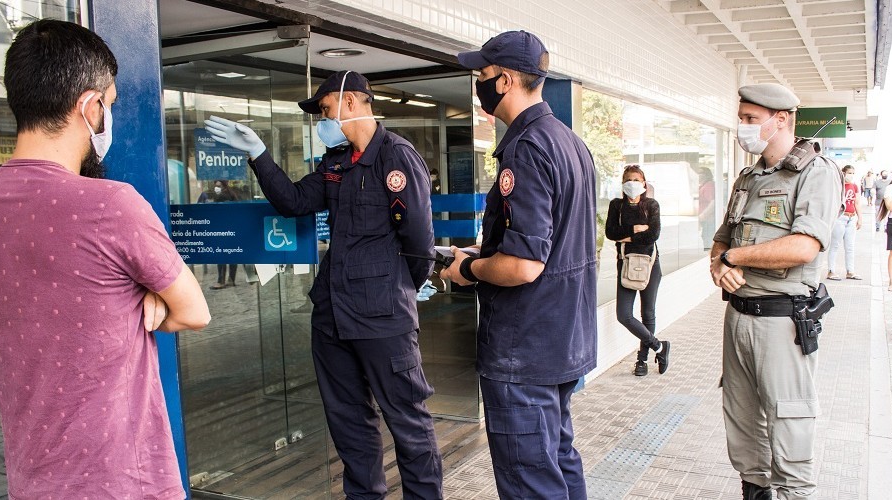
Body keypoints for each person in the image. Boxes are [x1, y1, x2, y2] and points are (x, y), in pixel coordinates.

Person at [0, 20, 211, 499]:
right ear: (90, 106)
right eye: (110, 105)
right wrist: (148, 296)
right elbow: (195, 312)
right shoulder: (111, 205)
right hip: (121, 479)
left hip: (31, 477)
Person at [203, 70, 442, 499]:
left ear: (351, 102)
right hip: (332, 315)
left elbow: (420, 242)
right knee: (349, 423)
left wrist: (397, 290)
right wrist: (259, 154)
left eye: (327, 109)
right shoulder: (335, 161)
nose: (324, 121)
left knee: (407, 421)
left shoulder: (396, 157)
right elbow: (293, 201)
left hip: (383, 318)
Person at [440, 30, 597, 499]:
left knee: (530, 478)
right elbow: (555, 242)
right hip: (563, 338)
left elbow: (525, 265)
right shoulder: (570, 143)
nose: (478, 86)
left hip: (524, 347)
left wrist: (466, 270)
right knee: (558, 459)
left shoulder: (525, 149)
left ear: (506, 80)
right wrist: (482, 254)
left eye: (482, 76)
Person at [710, 83, 842, 500]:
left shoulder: (815, 173)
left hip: (782, 322)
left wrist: (736, 259)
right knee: (744, 423)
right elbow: (721, 241)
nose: (742, 127)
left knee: (789, 428)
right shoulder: (749, 177)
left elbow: (804, 246)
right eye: (742, 118)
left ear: (780, 119)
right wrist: (720, 266)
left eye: (751, 119)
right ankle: (754, 490)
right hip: (739, 319)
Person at [605, 165, 669, 377]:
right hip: (626, 263)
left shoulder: (651, 205)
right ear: (623, 183)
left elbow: (653, 235)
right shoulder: (617, 206)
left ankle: (642, 360)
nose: (632, 183)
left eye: (636, 179)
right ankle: (659, 347)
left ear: (644, 183)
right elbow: (611, 233)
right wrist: (635, 229)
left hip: (650, 263)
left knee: (648, 312)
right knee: (624, 314)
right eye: (628, 179)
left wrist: (627, 237)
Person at [827, 165, 862, 280]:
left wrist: (860, 218)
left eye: (853, 173)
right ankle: (831, 271)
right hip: (840, 217)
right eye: (849, 173)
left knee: (850, 246)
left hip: (851, 218)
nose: (851, 175)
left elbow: (857, 202)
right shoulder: (838, 185)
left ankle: (850, 271)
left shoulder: (854, 186)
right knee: (835, 245)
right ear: (843, 173)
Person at [209, 180, 240, 289]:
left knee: (221, 253)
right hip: (232, 228)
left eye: (218, 186)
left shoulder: (222, 196)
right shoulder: (232, 194)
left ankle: (221, 281)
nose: (216, 188)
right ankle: (231, 279)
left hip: (223, 228)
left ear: (223, 186)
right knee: (232, 254)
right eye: (215, 186)